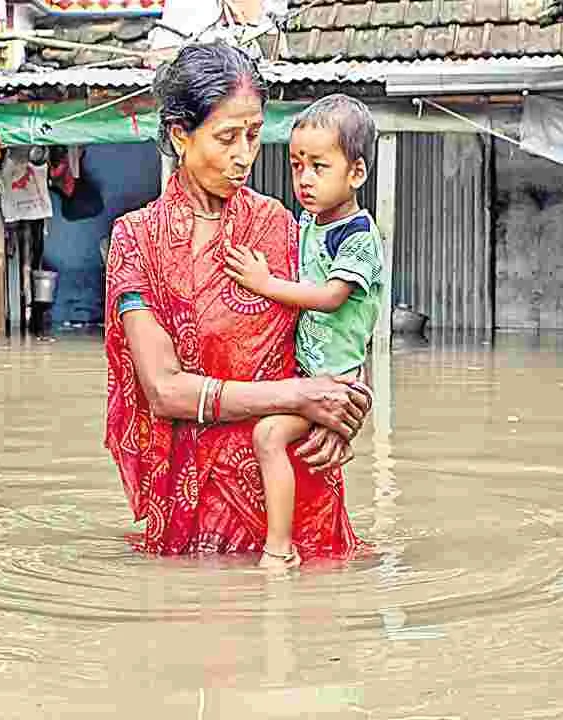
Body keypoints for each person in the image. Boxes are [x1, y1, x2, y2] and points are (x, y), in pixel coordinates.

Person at [104, 41, 372, 561]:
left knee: (317, 627)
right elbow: (163, 391)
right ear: (181, 134)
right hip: (195, 506)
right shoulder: (137, 241)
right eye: (227, 138)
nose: (244, 155)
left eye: (253, 135)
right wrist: (299, 399)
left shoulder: (281, 226)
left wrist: (344, 412)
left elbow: (342, 330)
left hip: (295, 494)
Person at [224, 94, 383, 570]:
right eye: (297, 166)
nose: (305, 180)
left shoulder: (357, 235)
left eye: (319, 166)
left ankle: (279, 550)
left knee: (270, 436)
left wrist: (265, 284)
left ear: (355, 174)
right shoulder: (309, 224)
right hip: (313, 371)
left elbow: (333, 295)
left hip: (338, 379)